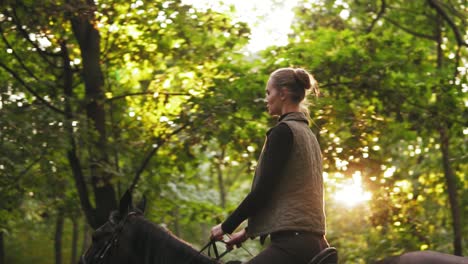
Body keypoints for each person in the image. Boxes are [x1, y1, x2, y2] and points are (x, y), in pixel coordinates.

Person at [211, 68, 329, 264]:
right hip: (316, 244)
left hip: (293, 245)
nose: (266, 99)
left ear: (282, 94)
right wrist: (248, 232)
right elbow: (290, 193)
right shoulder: (308, 134)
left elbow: (263, 191)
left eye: (268, 93)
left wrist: (226, 226)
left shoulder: (283, 132)